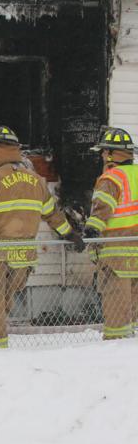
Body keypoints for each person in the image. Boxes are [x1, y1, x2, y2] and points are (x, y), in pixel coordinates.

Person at [0, 126, 78, 350]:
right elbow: (52, 215)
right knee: (2, 303)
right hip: (23, 258)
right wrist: (69, 233)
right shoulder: (37, 181)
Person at [84, 127, 138, 340]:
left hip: (116, 251)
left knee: (116, 298)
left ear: (110, 154)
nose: (101, 156)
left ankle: (116, 342)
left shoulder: (112, 178)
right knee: (134, 299)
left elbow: (103, 207)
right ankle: (132, 341)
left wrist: (91, 230)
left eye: (103, 152)